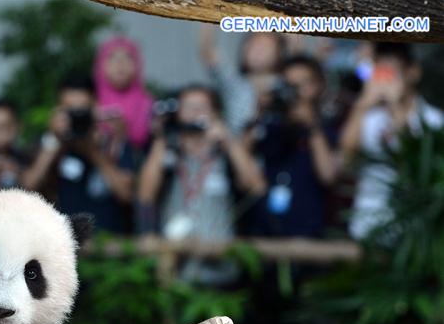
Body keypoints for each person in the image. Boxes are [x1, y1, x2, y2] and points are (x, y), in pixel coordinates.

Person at [137, 84, 265, 285]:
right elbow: (145, 193)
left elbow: (256, 187)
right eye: (188, 107)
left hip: (222, 267)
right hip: (175, 269)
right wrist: (163, 138)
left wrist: (229, 142)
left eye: (202, 107)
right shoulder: (168, 148)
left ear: (215, 112)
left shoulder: (226, 151)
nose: (195, 113)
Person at [339, 42, 443, 240]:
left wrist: (396, 105)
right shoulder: (370, 118)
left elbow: (416, 164)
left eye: (392, 69)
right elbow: (345, 160)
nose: (385, 78)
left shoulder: (434, 121)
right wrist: (362, 105)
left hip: (414, 235)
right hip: (366, 226)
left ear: (413, 72)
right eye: (380, 69)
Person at [23, 74, 135, 234]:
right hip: (63, 243)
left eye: (82, 110)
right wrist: (53, 140)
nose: (76, 117)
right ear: (58, 110)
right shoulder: (50, 144)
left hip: (109, 242)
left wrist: (94, 153)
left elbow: (126, 195)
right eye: (70, 111)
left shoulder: (113, 144)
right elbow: (27, 188)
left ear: (95, 106)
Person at [245, 55, 339, 238]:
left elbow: (328, 175)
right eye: (289, 85)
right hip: (264, 231)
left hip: (309, 233)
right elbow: (241, 166)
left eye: (303, 85)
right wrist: (259, 112)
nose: (295, 93)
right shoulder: (269, 127)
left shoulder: (326, 130)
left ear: (319, 86)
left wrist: (311, 126)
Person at [199, 26, 287, 134]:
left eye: (265, 47)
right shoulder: (234, 82)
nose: (257, 51)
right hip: (235, 145)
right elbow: (208, 52)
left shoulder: (285, 84)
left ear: (279, 53)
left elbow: (298, 53)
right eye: (253, 45)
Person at [93, 36, 154, 151]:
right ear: (100, 64)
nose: (120, 63)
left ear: (137, 65)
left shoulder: (148, 104)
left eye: (128, 57)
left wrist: (122, 133)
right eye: (112, 57)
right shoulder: (90, 100)